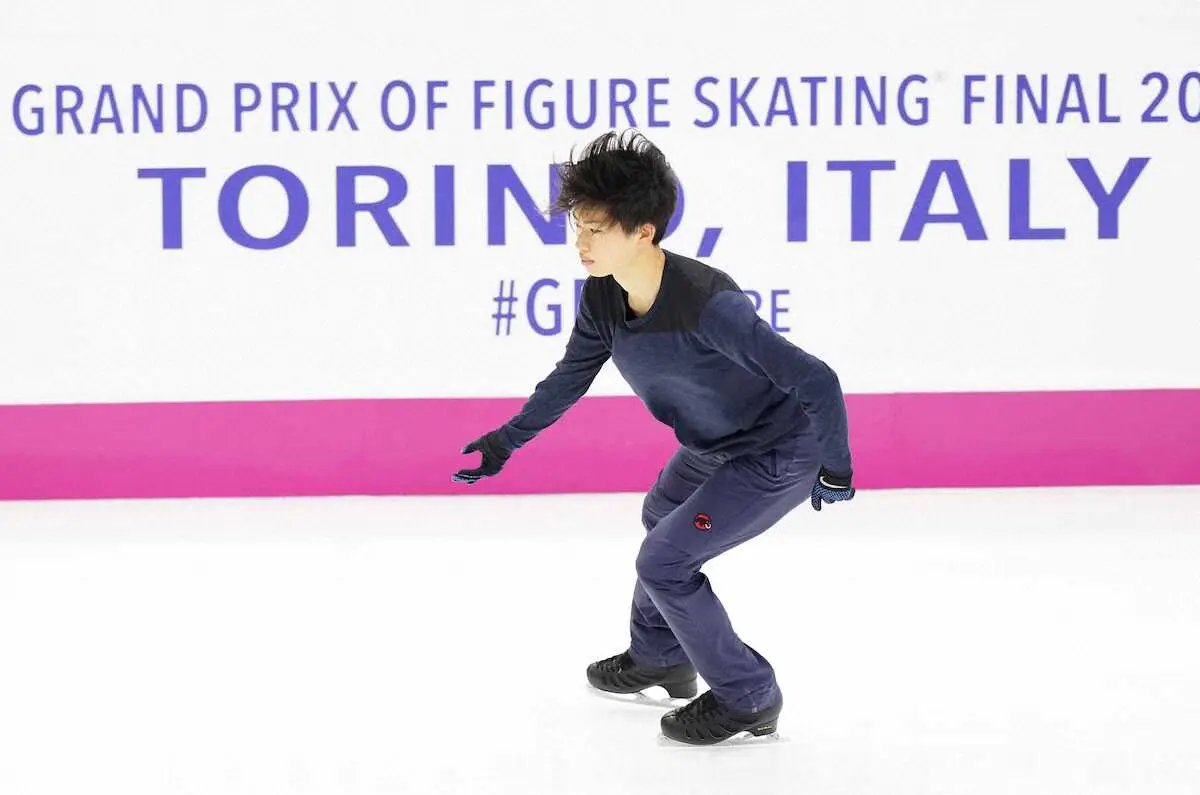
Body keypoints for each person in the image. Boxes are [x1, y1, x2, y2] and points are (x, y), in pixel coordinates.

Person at [452, 129, 856, 745]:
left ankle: (749, 695)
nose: (581, 243)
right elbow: (568, 380)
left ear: (644, 230)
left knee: (664, 562)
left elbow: (816, 379)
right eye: (579, 227)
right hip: (711, 446)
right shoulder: (603, 298)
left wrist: (835, 467)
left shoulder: (707, 305)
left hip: (777, 451)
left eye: (596, 230)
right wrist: (505, 442)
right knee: (661, 513)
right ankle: (661, 656)